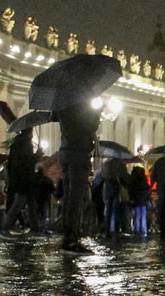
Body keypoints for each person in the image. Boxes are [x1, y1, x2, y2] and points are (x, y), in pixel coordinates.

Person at [56, 101, 100, 254]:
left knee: (69, 197)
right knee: (76, 198)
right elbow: (90, 126)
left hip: (66, 152)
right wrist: (97, 112)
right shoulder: (79, 105)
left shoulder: (63, 105)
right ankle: (71, 240)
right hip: (78, 154)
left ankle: (68, 236)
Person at [127, 165, 150, 237]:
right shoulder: (144, 181)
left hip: (135, 201)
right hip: (143, 202)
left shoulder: (132, 181)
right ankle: (144, 231)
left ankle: (136, 231)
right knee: (143, 217)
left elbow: (130, 191)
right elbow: (147, 190)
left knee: (137, 216)